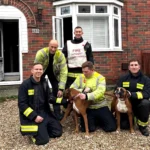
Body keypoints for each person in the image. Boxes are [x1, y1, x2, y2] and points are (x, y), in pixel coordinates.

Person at [18, 63, 65, 145]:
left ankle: (42, 130)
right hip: (34, 115)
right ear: (32, 71)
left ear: (43, 71)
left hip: (45, 113)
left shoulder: (44, 82)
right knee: (43, 141)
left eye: (40, 69)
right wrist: (34, 116)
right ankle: (33, 135)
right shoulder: (25, 85)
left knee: (58, 132)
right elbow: (22, 104)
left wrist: (65, 101)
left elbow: (50, 98)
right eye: (36, 69)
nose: (38, 71)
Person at [70, 61, 117, 132]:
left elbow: (100, 92)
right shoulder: (80, 77)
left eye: (86, 72)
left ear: (92, 70)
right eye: (83, 71)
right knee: (88, 129)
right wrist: (82, 90)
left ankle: (99, 119)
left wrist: (87, 96)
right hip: (88, 107)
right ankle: (95, 120)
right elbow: (72, 88)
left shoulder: (100, 78)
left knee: (111, 127)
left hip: (100, 105)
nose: (84, 73)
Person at [34, 40, 68, 120]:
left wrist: (61, 88)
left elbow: (63, 72)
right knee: (40, 90)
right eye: (52, 47)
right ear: (48, 45)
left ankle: (57, 112)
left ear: (57, 47)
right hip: (42, 71)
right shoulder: (41, 53)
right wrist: (37, 79)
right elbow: (36, 68)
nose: (53, 49)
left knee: (57, 92)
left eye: (55, 47)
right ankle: (41, 110)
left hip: (54, 73)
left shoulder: (60, 55)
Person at [116, 59, 150, 136]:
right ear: (129, 67)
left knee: (146, 103)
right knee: (124, 126)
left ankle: (142, 125)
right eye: (132, 65)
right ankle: (131, 119)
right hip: (126, 105)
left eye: (136, 65)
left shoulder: (146, 79)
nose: (134, 67)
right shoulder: (123, 78)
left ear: (139, 67)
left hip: (139, 104)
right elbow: (117, 89)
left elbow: (147, 94)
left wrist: (131, 94)